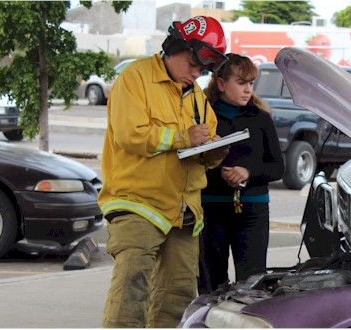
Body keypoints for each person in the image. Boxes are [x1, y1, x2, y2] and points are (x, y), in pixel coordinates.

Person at [97, 16, 229, 328]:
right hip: (137, 204)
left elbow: (202, 144)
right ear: (174, 48)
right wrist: (183, 137)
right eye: (193, 64)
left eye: (203, 69)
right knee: (131, 290)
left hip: (183, 212)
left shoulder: (195, 95)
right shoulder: (135, 77)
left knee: (177, 298)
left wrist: (215, 152)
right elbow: (129, 134)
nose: (196, 73)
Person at [198, 54, 284, 293]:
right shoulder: (204, 116)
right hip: (211, 209)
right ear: (221, 83)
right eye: (241, 83)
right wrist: (220, 172)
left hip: (253, 211)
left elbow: (277, 167)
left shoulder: (261, 118)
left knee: (252, 284)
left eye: (251, 83)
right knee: (210, 284)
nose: (248, 90)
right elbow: (190, 161)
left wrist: (248, 172)